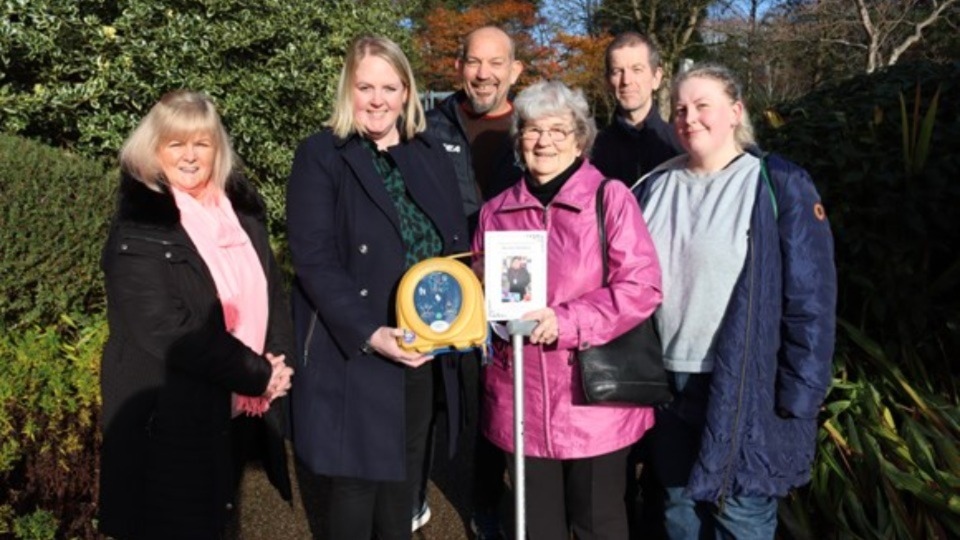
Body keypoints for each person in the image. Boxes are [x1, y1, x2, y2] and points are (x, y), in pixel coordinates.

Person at [633, 63, 836, 539]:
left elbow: (811, 297)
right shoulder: (653, 187)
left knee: (740, 511)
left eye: (703, 106)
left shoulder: (777, 184)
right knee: (678, 506)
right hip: (665, 380)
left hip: (744, 381)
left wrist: (802, 391)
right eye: (680, 108)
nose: (689, 117)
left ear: (735, 111)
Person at [286, 35, 470, 540]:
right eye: (365, 85)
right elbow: (314, 259)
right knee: (357, 485)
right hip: (359, 346)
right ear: (347, 88)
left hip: (421, 341)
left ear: (407, 91)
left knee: (404, 480)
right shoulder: (322, 154)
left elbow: (454, 242)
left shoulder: (427, 152)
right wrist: (370, 331)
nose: (377, 99)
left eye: (390, 86)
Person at [99, 90, 295, 539]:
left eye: (201, 144)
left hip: (229, 409)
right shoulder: (141, 227)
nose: (190, 156)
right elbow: (168, 328)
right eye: (176, 144)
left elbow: (271, 288)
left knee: (216, 519)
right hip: (167, 420)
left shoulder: (240, 215)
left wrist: (279, 360)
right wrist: (256, 373)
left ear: (217, 149)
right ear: (153, 151)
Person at [473, 80, 663, 539]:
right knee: (536, 526)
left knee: (597, 523)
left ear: (580, 139)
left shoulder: (609, 199)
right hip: (519, 395)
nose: (545, 141)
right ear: (519, 139)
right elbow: (482, 290)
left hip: (590, 400)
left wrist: (567, 320)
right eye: (533, 130)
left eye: (559, 130)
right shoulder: (495, 211)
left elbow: (641, 285)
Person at [423, 25, 524, 538]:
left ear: (515, 70)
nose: (484, 74)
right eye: (474, 62)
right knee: (431, 392)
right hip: (445, 281)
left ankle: (486, 503)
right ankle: (415, 489)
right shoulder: (429, 124)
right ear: (460, 66)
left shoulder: (534, 128)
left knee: (497, 397)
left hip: (511, 283)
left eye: (495, 63)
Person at [593, 32, 683, 185]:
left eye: (637, 69)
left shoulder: (681, 145)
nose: (626, 81)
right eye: (617, 71)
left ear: (656, 77)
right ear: (608, 81)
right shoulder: (593, 151)